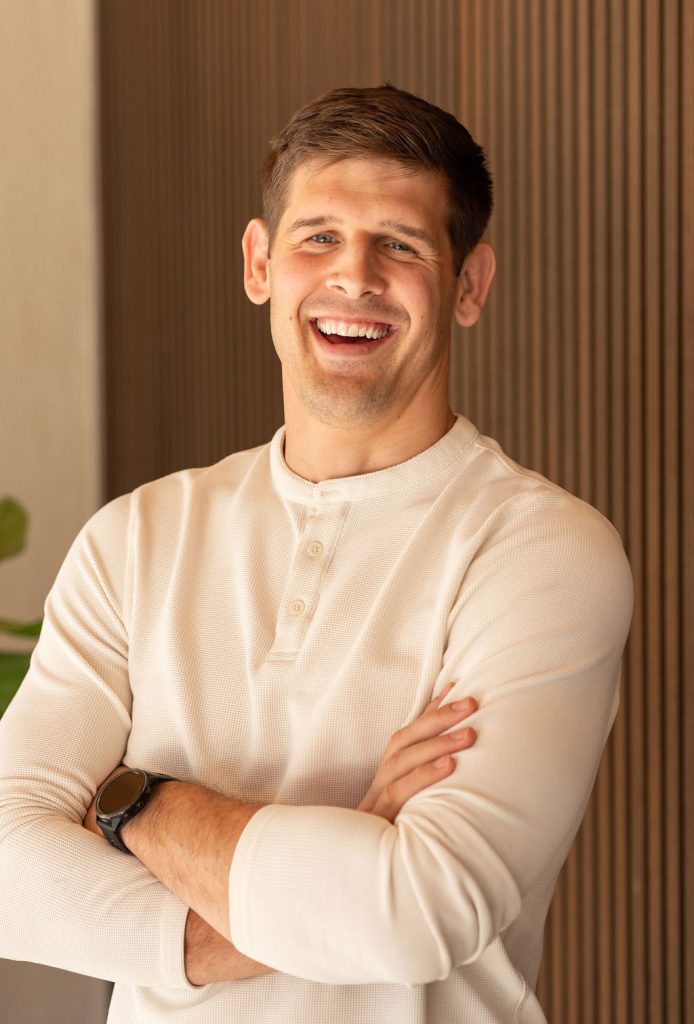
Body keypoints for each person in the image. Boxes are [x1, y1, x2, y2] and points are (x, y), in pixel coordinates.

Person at [0, 84, 632, 1023]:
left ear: (469, 285)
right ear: (260, 263)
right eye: (319, 236)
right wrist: (339, 862)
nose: (355, 276)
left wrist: (137, 803)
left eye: (402, 245)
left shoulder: (542, 550)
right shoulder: (135, 538)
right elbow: (8, 871)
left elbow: (420, 911)